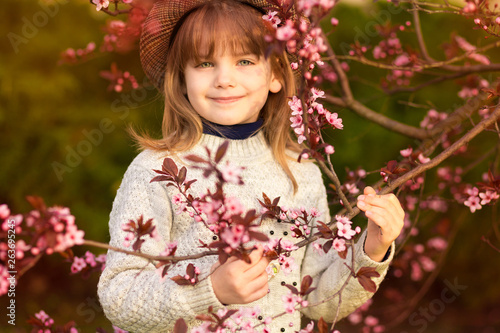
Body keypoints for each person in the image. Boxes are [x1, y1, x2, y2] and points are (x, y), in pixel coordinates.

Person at [97, 0, 405, 332]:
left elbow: (322, 301)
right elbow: (120, 296)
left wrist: (372, 249)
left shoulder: (301, 171)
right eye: (204, 63)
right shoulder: (157, 170)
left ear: (275, 74)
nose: (224, 79)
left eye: (244, 60)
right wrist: (210, 290)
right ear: (182, 79)